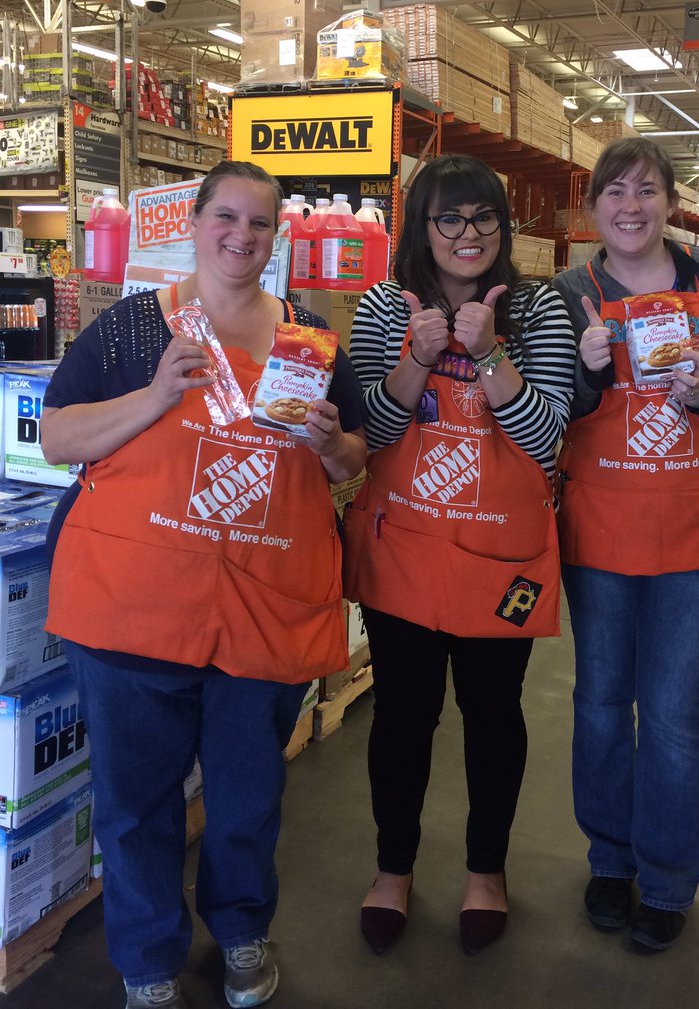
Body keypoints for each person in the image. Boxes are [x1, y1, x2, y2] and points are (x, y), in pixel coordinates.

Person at [41, 160, 367, 1009]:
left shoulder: (311, 339)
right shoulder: (127, 334)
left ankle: (242, 932)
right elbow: (59, 437)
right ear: (192, 223)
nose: (241, 236)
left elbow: (354, 457)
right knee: (135, 804)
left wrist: (333, 445)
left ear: (276, 237)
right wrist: (153, 399)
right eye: (226, 217)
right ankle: (149, 964)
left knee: (247, 800)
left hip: (263, 610)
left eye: (259, 224)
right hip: (132, 612)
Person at [552, 137, 699, 955]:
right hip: (602, 532)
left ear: (670, 203)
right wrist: (585, 371)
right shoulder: (567, 293)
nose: (631, 207)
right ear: (594, 210)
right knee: (596, 705)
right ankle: (608, 859)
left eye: (646, 191)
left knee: (669, 713)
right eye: (614, 193)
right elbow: (545, 408)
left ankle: (666, 879)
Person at [344, 154, 576, 956]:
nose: (468, 235)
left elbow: (548, 441)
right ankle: (393, 869)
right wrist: (415, 356)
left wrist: (489, 355)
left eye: (483, 218)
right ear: (422, 228)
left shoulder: (539, 308)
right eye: (449, 218)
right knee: (404, 716)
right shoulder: (381, 306)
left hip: (499, 560)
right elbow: (363, 439)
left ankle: (486, 872)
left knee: (492, 715)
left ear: (502, 229)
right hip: (404, 548)